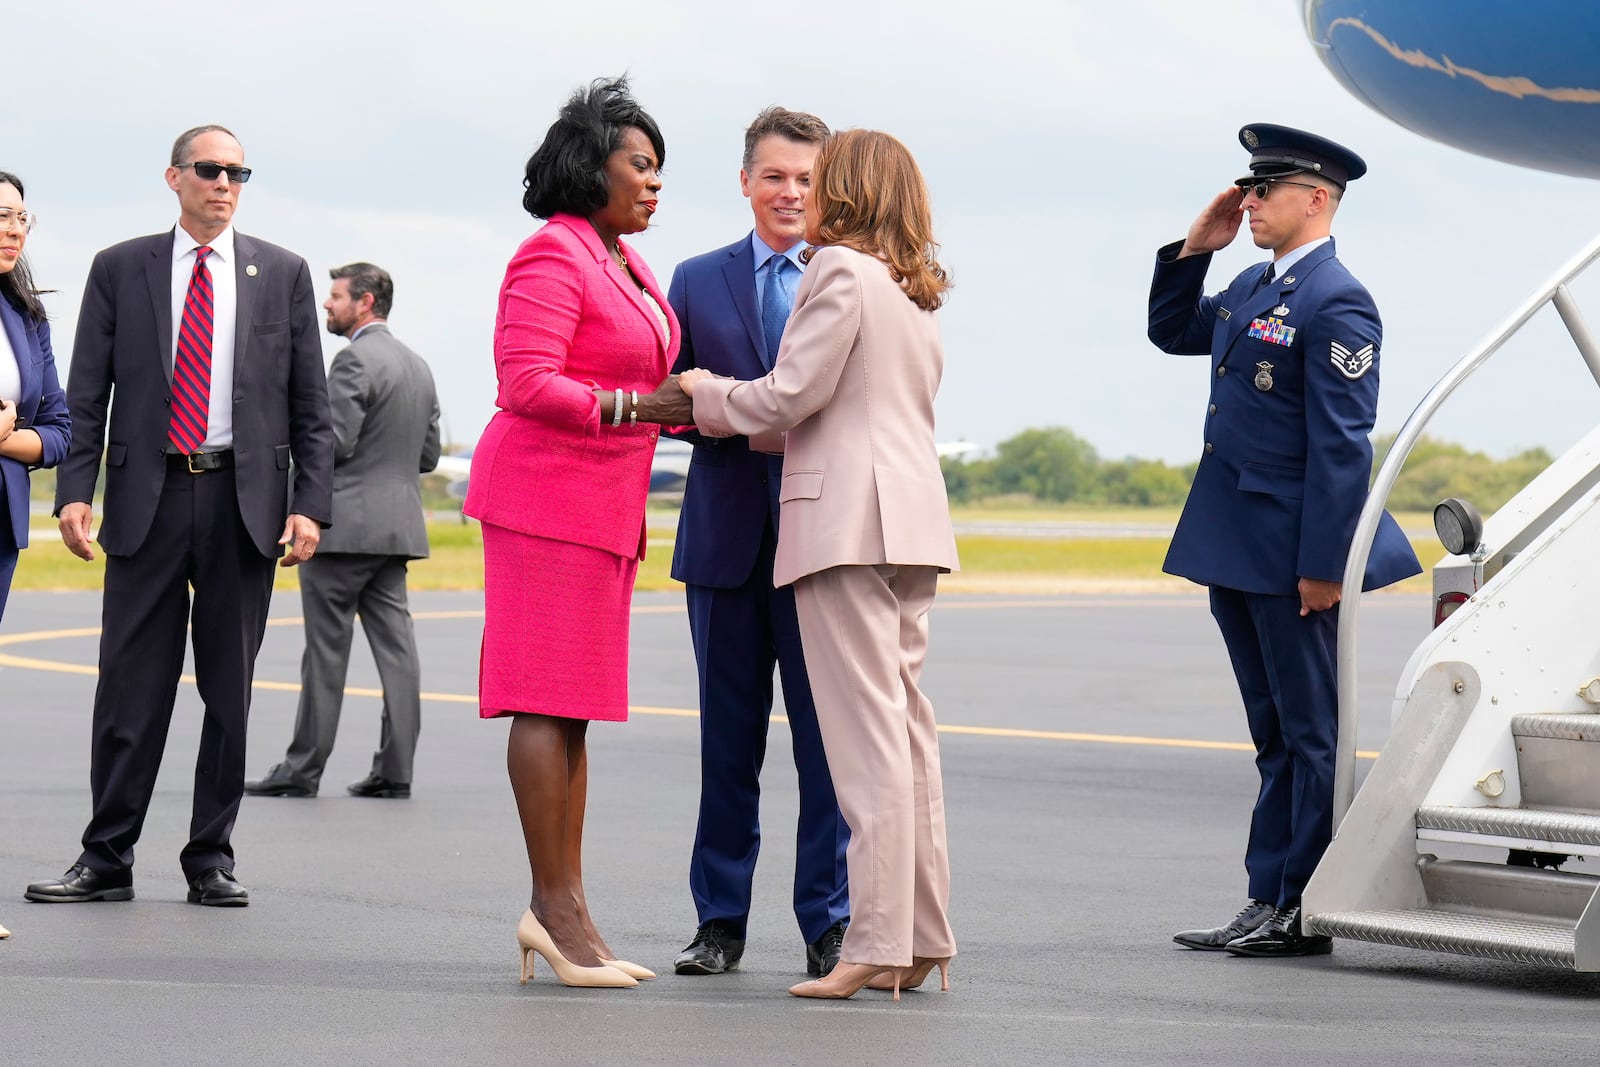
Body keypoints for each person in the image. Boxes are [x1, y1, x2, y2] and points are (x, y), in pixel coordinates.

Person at [678, 128, 959, 1002]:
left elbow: (791, 395)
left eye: (824, 177)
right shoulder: (914, 285)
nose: (810, 191)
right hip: (908, 523)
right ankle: (920, 937)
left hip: (845, 524)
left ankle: (870, 939)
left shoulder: (840, 270)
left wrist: (704, 394)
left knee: (864, 747)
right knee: (909, 737)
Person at [26, 125, 333, 909]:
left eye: (237, 172)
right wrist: (72, 490)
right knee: (130, 688)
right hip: (145, 499)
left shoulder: (284, 273)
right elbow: (86, 392)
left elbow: (311, 408)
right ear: (174, 177)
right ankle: (106, 856)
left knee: (228, 690)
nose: (224, 183)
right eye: (210, 169)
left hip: (242, 504)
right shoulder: (120, 268)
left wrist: (310, 505)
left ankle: (210, 857)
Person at [1148, 123, 1421, 957]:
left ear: (1316, 199)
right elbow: (1171, 330)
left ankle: (1307, 905)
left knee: (1311, 734)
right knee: (1272, 731)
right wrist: (1193, 249)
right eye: (1249, 189)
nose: (1251, 202)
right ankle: (1267, 892)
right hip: (1235, 541)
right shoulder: (1250, 283)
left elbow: (1344, 445)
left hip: (1292, 552)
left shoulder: (1338, 299)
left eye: (1265, 191)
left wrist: (1322, 567)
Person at [464, 77, 692, 989]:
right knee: (542, 698)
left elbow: (651, 385)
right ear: (587, 166)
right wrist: (643, 403)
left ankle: (569, 910)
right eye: (640, 164)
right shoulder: (552, 255)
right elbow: (526, 381)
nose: (655, 182)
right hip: (544, 504)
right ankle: (553, 911)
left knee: (574, 712)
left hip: (601, 509)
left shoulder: (621, 261)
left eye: (659, 168)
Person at [665, 107, 850, 980]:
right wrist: (743, 421)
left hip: (824, 547)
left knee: (827, 748)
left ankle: (830, 920)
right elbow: (668, 400)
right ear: (745, 181)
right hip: (726, 543)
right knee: (725, 745)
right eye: (775, 176)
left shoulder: (854, 277)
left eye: (808, 179)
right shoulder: (697, 278)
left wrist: (734, 403)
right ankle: (719, 920)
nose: (791, 193)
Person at [245, 263, 440, 800]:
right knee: (398, 653)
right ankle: (395, 770)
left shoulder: (354, 360)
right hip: (397, 531)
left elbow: (332, 443)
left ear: (366, 302)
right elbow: (426, 454)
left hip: (346, 530)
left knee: (326, 653)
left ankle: (302, 768)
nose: (327, 306)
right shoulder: (418, 365)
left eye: (335, 297)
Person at [0, 172, 72, 942]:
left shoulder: (27, 314)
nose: (14, 229)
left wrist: (10, 440)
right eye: (0, 215)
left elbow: (59, 426)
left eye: (22, 217)